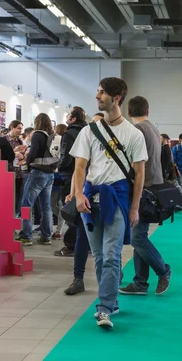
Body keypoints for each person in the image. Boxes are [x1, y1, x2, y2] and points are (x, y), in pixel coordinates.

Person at [70, 77, 147, 329]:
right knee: (101, 257)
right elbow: (79, 167)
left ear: (116, 98)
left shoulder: (133, 134)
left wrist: (135, 207)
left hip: (117, 199)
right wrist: (79, 194)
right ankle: (111, 300)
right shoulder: (88, 131)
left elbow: (139, 174)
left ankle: (104, 308)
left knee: (112, 256)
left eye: (101, 92)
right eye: (97, 91)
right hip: (90, 200)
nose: (96, 96)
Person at [119, 96, 171, 296]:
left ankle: (163, 270)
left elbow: (134, 164)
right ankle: (140, 283)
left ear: (129, 113)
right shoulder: (153, 129)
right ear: (147, 112)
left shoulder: (136, 131)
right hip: (153, 188)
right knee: (138, 236)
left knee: (137, 238)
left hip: (142, 190)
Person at [62, 113, 104, 294]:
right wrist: (73, 193)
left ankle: (110, 276)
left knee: (107, 243)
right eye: (92, 123)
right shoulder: (86, 142)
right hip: (85, 198)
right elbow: (77, 170)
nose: (94, 127)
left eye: (97, 123)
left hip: (106, 199)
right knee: (81, 239)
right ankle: (78, 279)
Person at [54, 107, 89, 255]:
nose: (66, 116)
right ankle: (82, 244)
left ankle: (72, 245)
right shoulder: (86, 132)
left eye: (68, 114)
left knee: (70, 210)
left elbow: (66, 156)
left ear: (73, 119)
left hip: (70, 175)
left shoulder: (69, 134)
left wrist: (59, 168)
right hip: (86, 174)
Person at [17, 113, 56, 246]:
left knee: (26, 204)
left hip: (38, 172)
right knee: (46, 206)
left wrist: (26, 162)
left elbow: (33, 153)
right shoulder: (51, 135)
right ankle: (46, 235)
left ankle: (26, 235)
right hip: (50, 173)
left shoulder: (37, 134)